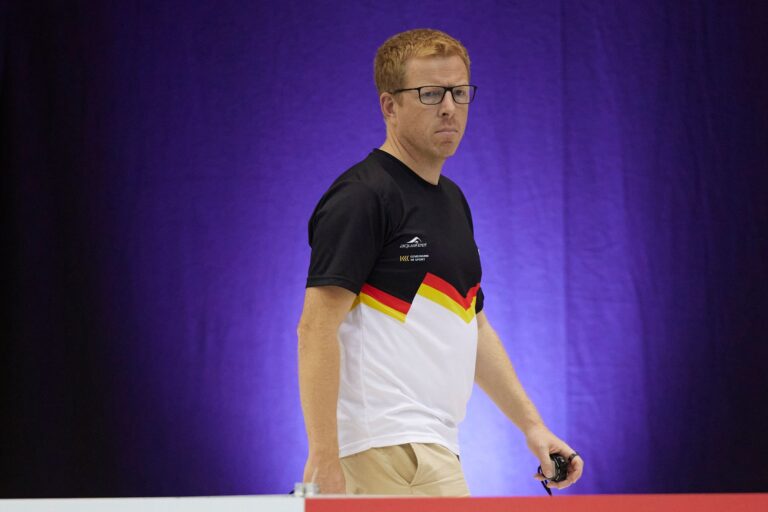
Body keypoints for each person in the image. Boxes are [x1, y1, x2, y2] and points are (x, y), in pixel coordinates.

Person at [297, 28, 583, 496]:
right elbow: (314, 329)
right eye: (430, 93)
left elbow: (475, 326)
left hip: (434, 449)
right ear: (389, 106)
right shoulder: (363, 196)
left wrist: (534, 428)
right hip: (378, 450)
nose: (449, 106)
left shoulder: (452, 200)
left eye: (459, 91)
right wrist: (325, 457)